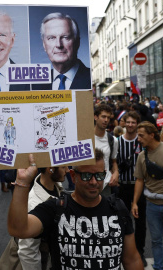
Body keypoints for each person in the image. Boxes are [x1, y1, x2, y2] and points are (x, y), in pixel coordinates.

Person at [8, 150, 143, 269]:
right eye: (86, 176)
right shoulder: (55, 209)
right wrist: (23, 182)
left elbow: (131, 259)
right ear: (73, 176)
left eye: (99, 175)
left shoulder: (117, 208)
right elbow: (18, 229)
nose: (94, 182)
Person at [131, 122, 163, 270]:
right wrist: (134, 202)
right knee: (156, 241)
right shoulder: (142, 156)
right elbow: (140, 180)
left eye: (141, 135)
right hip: (151, 205)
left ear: (151, 135)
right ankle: (158, 267)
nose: (138, 139)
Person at [17, 166, 67, 270]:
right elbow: (28, 251)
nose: (67, 170)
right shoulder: (33, 204)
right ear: (50, 169)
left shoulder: (56, 186)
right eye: (63, 167)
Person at [115, 111, 148, 266]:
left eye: (133, 122)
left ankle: (140, 251)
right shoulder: (117, 141)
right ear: (123, 123)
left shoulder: (141, 142)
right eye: (127, 122)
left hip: (138, 186)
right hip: (122, 186)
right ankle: (121, 251)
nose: (130, 125)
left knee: (140, 221)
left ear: (137, 124)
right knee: (120, 220)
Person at [32, 12, 91, 90]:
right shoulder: (35, 84)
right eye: (51, 38)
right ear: (44, 45)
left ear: (77, 42)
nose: (59, 45)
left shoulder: (91, 78)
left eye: (65, 37)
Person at [93, 104, 119, 195]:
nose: (106, 120)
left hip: (105, 184)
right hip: (88, 183)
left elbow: (114, 161)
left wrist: (116, 173)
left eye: (108, 117)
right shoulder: (86, 138)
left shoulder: (112, 140)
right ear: (95, 117)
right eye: (103, 117)